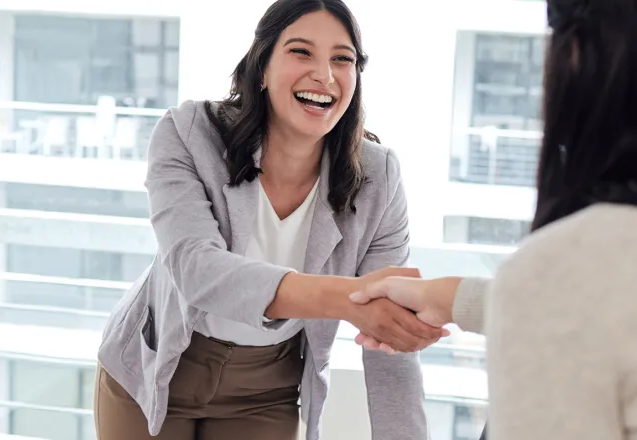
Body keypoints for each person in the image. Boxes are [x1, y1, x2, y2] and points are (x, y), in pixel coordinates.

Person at [352, 0, 637, 439]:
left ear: (580, 59)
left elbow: (595, 303)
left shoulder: (568, 265)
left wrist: (522, 294)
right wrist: (463, 299)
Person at [93, 1, 447, 439]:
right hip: (155, 366)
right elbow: (198, 269)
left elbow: (390, 340)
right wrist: (353, 300)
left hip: (266, 388)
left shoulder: (380, 178)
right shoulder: (187, 133)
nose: (325, 75)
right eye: (302, 52)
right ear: (262, 67)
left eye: (343, 59)